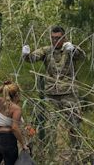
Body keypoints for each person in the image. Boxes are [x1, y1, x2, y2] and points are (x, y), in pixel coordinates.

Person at [22, 26, 85, 156]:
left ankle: (77, 152)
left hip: (69, 93)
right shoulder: (46, 50)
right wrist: (26, 55)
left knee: (74, 123)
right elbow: (33, 58)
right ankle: (50, 152)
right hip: (51, 93)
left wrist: (74, 49)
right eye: (53, 38)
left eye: (58, 38)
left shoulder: (69, 49)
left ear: (64, 37)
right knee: (50, 124)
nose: (55, 40)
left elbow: (82, 56)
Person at [0, 81, 29, 165]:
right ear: (17, 95)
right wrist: (23, 144)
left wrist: (2, 86)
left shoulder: (0, 101)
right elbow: (14, 128)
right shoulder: (16, 109)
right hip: (7, 139)